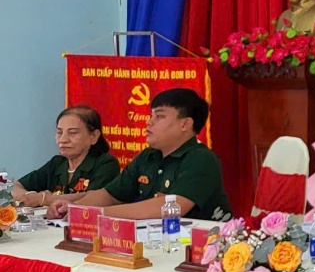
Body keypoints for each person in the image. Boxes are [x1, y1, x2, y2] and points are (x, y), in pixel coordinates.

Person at [52, 88, 231, 221]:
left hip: (203, 246)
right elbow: (110, 195)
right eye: (150, 115)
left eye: (159, 117)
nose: (148, 122)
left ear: (185, 124)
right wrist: (75, 208)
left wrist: (96, 214)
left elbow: (170, 207)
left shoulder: (201, 159)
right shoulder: (148, 156)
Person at [13, 106, 121, 210]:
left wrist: (43, 199)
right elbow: (15, 187)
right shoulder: (57, 162)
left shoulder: (106, 163)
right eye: (59, 132)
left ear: (94, 136)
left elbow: (95, 197)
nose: (63, 139)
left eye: (73, 133)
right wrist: (30, 197)